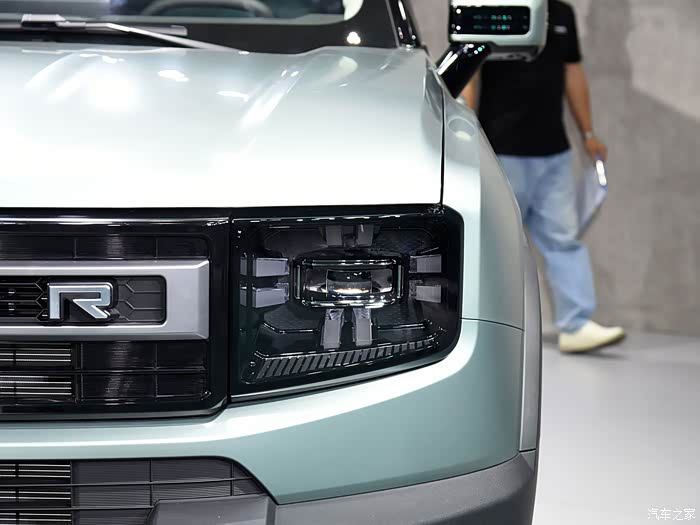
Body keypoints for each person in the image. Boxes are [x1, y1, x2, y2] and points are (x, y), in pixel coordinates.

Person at [463, 0, 625, 353]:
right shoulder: (494, 6)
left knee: (563, 240)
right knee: (496, 245)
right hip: (501, 150)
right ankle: (488, 330)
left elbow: (572, 72)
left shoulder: (562, 13)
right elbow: (471, 72)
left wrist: (588, 133)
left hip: (554, 152)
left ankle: (576, 325)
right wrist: (465, 134)